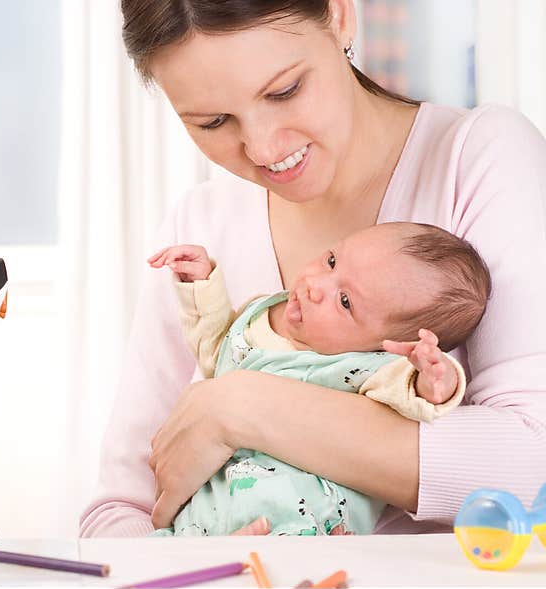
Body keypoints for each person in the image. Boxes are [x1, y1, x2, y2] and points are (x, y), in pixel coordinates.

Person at [80, 0, 546, 538]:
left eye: (284, 91)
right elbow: (116, 512)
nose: (263, 147)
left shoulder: (478, 159)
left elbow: (533, 463)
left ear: (340, 16)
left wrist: (240, 406)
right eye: (212, 121)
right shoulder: (201, 228)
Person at [148, 221, 489, 536]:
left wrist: (435, 380)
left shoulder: (361, 366)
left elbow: (408, 395)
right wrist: (201, 286)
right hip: (204, 516)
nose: (315, 286)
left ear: (387, 346)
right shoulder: (261, 312)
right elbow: (218, 349)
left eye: (345, 302)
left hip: (296, 523)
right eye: (331, 261)